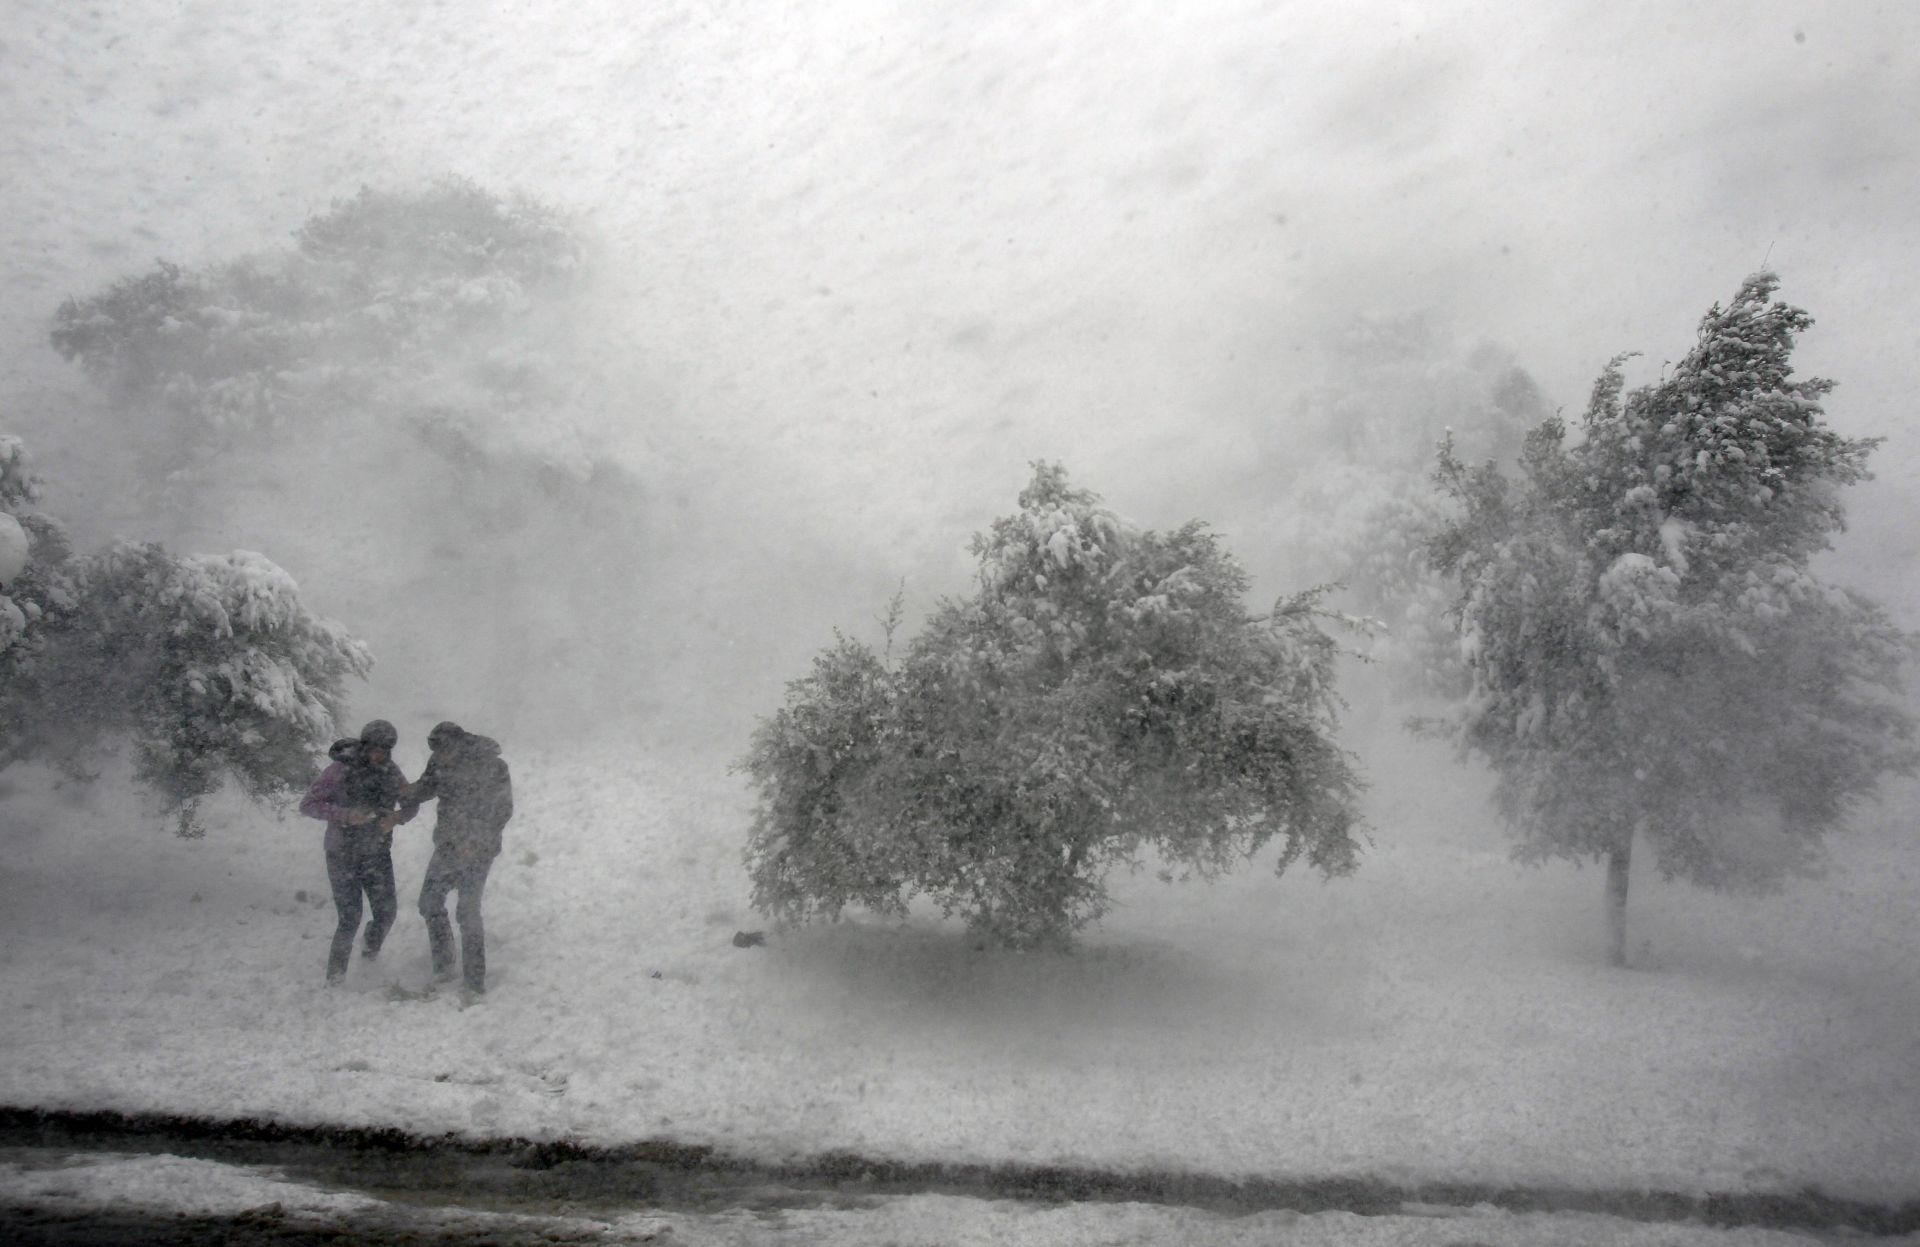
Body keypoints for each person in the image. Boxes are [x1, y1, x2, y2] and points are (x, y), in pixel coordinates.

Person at [401, 721, 513, 997]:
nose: (440, 758)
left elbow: (502, 809)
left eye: (444, 752)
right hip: (448, 846)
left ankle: (474, 981)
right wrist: (398, 791)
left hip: (479, 851)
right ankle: (444, 965)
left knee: (467, 910)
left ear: (458, 746)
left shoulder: (491, 765)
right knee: (429, 902)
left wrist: (475, 840)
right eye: (436, 752)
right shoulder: (440, 760)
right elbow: (425, 789)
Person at [299, 719, 412, 985]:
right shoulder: (339, 771)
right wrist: (346, 815)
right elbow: (308, 804)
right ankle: (335, 978)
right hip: (342, 855)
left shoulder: (392, 772)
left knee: (387, 912)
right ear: (364, 746)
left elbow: (411, 803)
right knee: (350, 918)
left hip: (377, 854)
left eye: (385, 750)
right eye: (375, 749)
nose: (379, 755)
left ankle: (370, 953)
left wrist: (396, 818)